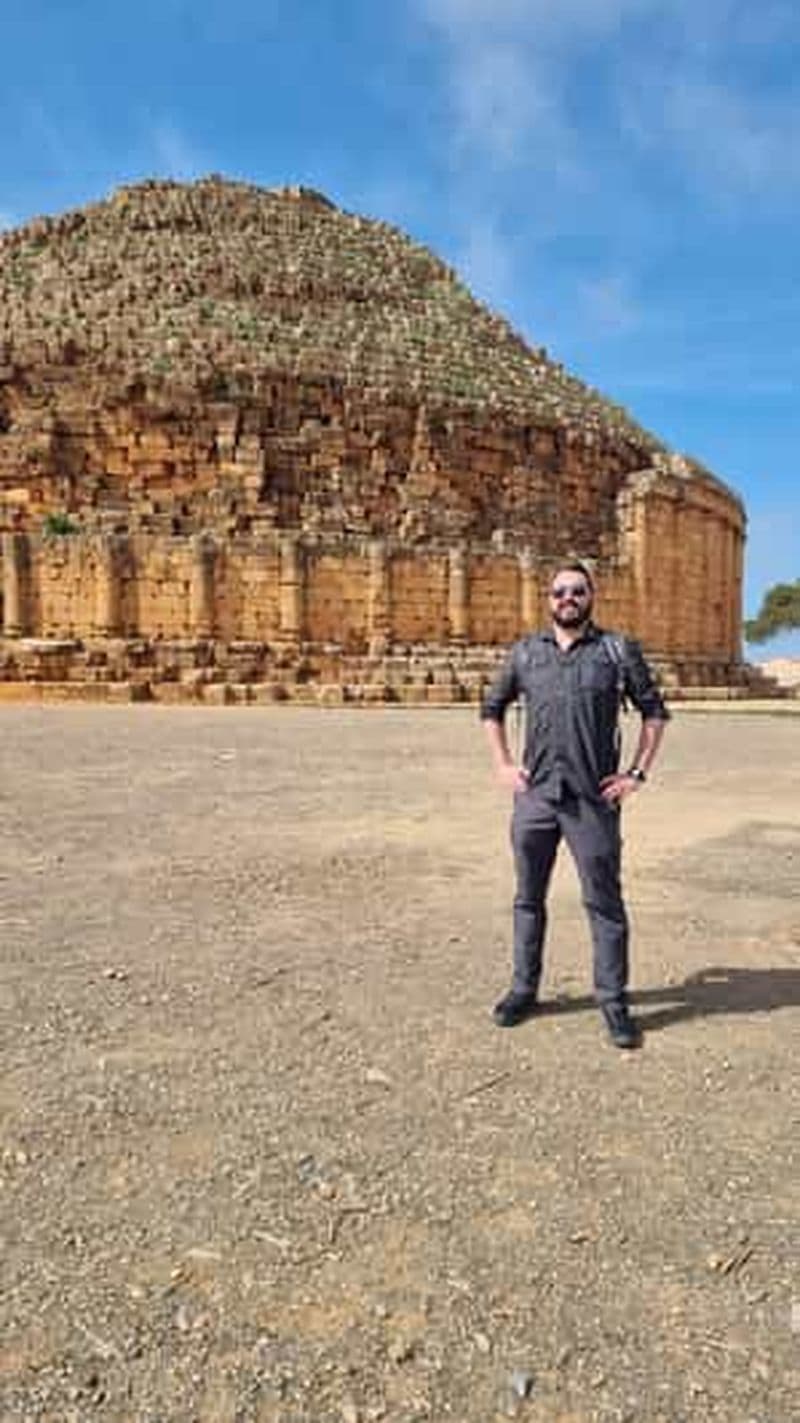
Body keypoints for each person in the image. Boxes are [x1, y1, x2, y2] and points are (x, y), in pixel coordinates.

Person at [481, 561, 669, 1048]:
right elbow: (492, 708)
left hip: (592, 801)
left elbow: (654, 713)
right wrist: (503, 764)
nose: (568, 598)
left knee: (604, 902)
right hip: (536, 798)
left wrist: (636, 773)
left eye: (577, 591)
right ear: (548, 599)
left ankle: (613, 1001)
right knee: (528, 898)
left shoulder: (616, 651)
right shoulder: (526, 653)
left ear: (591, 596)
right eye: (559, 591)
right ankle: (523, 989)